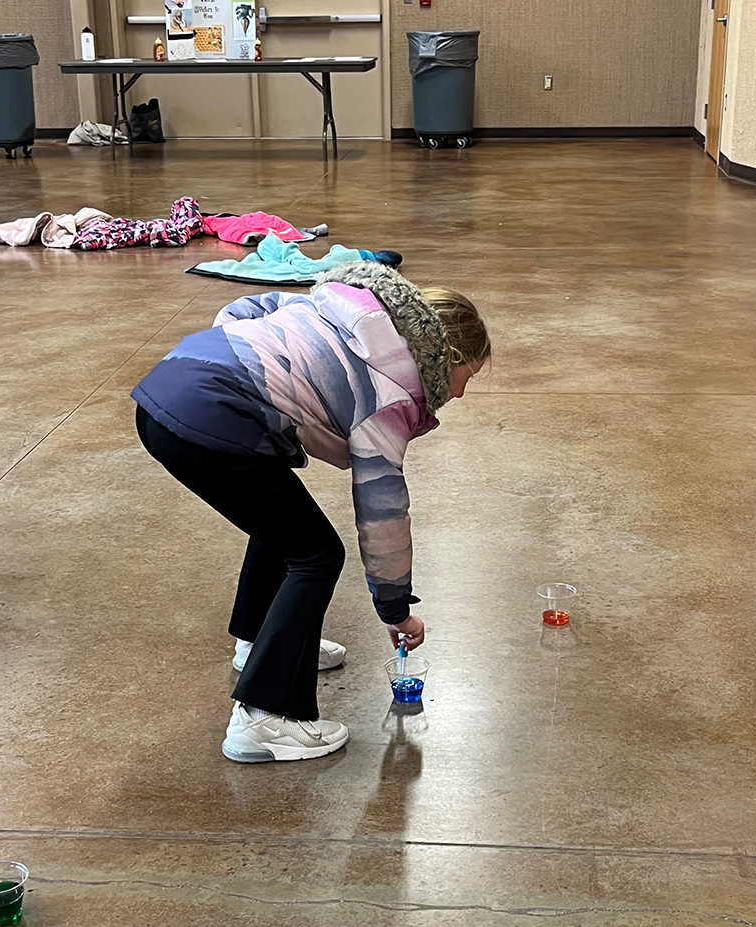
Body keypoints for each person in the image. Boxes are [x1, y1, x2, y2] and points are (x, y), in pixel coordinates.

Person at [132, 262, 490, 763]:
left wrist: (247, 369)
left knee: (284, 525)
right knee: (317, 554)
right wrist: (394, 608)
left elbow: (249, 308)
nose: (460, 393)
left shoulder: (344, 308)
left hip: (168, 386)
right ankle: (265, 718)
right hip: (209, 418)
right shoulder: (391, 391)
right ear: (445, 356)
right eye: (465, 376)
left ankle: (260, 644)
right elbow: (382, 510)